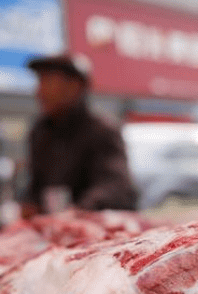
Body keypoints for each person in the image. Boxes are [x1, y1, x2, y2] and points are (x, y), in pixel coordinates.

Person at [22, 54, 137, 216]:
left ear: (74, 87)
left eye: (48, 82)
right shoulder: (40, 131)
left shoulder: (101, 130)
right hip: (53, 225)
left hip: (95, 225)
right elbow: (36, 184)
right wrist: (30, 203)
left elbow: (116, 187)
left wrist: (80, 210)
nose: (40, 91)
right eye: (40, 82)